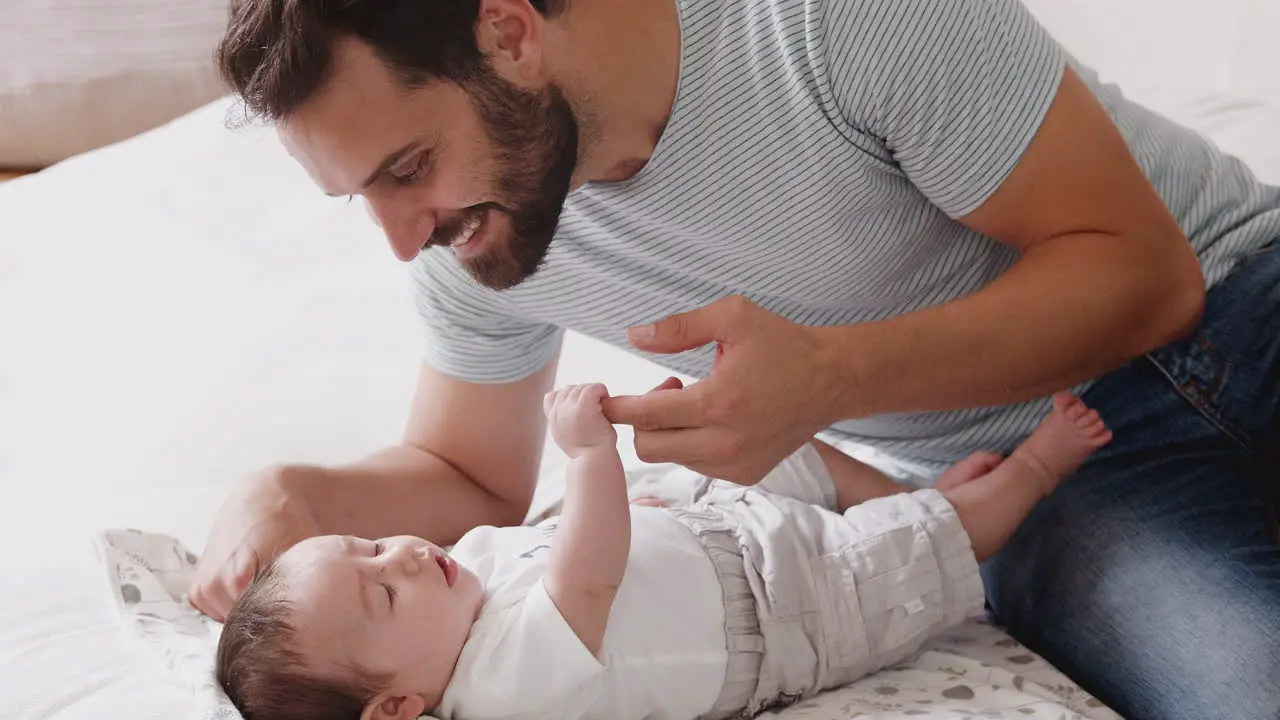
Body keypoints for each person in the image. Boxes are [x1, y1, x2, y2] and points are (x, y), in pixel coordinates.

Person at [192, 0, 1280, 716]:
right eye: (361, 199)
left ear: (510, 32)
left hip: (1242, 293)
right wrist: (291, 487)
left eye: (407, 167)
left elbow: (1148, 279)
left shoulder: (819, 22)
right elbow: (474, 476)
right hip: (1042, 482)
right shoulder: (469, 232)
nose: (400, 236)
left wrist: (834, 378)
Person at [214, 385, 1112, 720]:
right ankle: (1032, 471)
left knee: (787, 457)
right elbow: (586, 572)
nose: (402, 558)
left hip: (710, 535)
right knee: (911, 556)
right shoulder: (504, 689)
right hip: (787, 615)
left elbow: (544, 541)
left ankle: (915, 494)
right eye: (381, 596)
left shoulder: (456, 591)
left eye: (371, 546)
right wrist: (589, 458)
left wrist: (632, 490)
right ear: (399, 710)